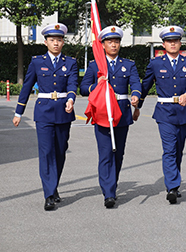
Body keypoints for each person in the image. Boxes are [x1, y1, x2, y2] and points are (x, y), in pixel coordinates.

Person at [12, 23, 78, 211]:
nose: (56, 43)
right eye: (52, 40)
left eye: (59, 40)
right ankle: (49, 194)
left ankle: (53, 186)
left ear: (63, 42)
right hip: (44, 112)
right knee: (46, 152)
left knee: (60, 151)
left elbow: (73, 84)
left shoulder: (70, 62)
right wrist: (18, 112)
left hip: (64, 112)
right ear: (45, 42)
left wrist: (71, 99)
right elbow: (26, 87)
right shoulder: (37, 62)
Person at [80, 26, 141, 208]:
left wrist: (136, 94)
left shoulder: (128, 64)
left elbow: (136, 82)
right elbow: (83, 88)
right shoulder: (95, 65)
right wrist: (96, 85)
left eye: (116, 42)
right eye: (109, 42)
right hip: (102, 113)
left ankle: (111, 184)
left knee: (118, 153)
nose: (113, 45)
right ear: (103, 44)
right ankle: (109, 193)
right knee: (106, 153)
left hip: (121, 113)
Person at [138, 26, 186, 204]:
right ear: (163, 44)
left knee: (178, 150)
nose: (172, 44)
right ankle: (172, 187)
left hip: (184, 112)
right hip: (164, 112)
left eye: (175, 41)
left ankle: (175, 182)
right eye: (169, 41)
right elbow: (146, 85)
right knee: (169, 149)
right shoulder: (156, 63)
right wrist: (137, 105)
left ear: (180, 43)